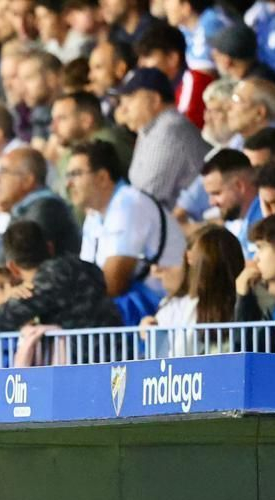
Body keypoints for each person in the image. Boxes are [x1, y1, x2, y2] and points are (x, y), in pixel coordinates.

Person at [69, 140, 186, 323]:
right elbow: (85, 276)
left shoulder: (129, 203)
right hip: (136, 310)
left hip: (164, 310)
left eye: (76, 174)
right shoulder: (93, 216)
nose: (69, 183)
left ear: (102, 177)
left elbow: (114, 283)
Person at [113, 68, 207, 209]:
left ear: (155, 100)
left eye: (130, 100)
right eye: (121, 102)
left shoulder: (169, 130)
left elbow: (146, 199)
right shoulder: (151, 128)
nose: (123, 110)